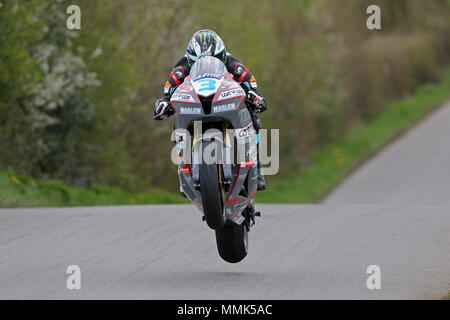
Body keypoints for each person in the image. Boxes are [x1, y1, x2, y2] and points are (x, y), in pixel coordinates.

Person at [154, 29, 267, 190]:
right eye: (198, 60)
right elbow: (168, 92)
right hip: (197, 107)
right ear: (190, 58)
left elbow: (252, 85)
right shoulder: (181, 67)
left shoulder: (234, 64)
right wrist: (164, 104)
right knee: (177, 116)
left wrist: (256, 98)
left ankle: (257, 166)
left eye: (214, 59)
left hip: (226, 104)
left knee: (253, 114)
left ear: (222, 55)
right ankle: (184, 168)